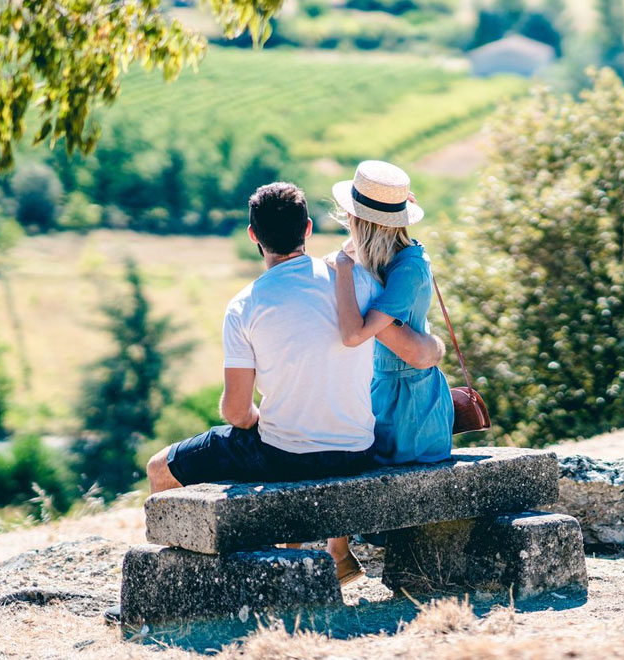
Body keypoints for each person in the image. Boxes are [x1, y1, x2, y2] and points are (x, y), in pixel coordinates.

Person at [143, 182, 444, 585]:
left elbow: (236, 412)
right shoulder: (360, 284)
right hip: (357, 450)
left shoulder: (244, 305)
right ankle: (335, 557)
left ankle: (165, 581)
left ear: (253, 235)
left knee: (160, 468)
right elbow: (400, 347)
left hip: (286, 456)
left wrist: (265, 420)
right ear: (308, 229)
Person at [327, 160, 455, 466]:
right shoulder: (389, 256)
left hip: (410, 401)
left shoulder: (408, 267)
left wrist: (343, 269)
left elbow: (354, 335)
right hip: (386, 389)